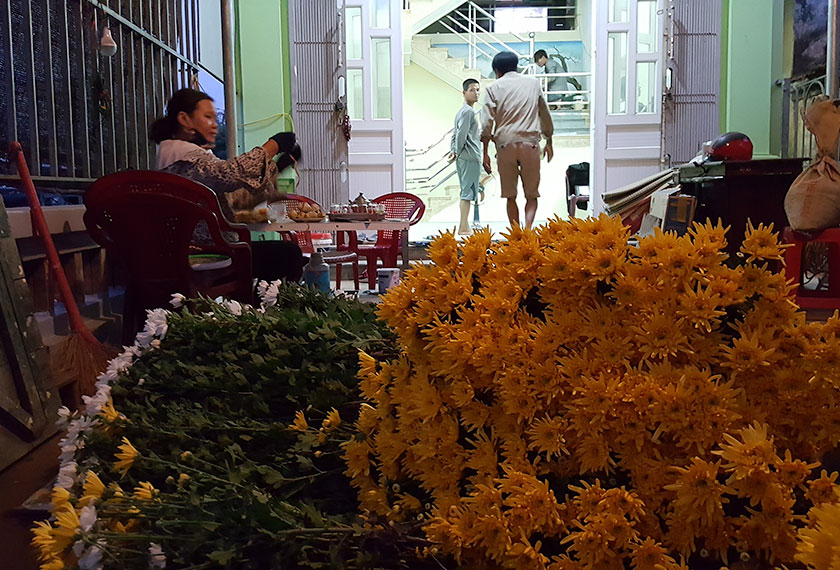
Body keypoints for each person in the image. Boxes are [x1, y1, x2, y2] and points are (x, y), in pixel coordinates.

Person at [150, 88, 305, 282]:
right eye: (208, 117)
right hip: (203, 252)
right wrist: (272, 145)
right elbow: (229, 174)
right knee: (288, 255)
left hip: (203, 248)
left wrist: (278, 167)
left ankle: (254, 307)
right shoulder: (182, 157)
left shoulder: (186, 157)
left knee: (283, 254)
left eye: (215, 118)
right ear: (184, 119)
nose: (215, 125)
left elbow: (236, 199)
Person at [480, 51, 554, 229]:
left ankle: (516, 234)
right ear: (516, 66)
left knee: (510, 196)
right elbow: (544, 113)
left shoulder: (493, 88)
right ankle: (528, 230)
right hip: (531, 144)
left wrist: (484, 153)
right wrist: (549, 140)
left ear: (497, 71)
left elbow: (486, 124)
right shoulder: (533, 83)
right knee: (531, 195)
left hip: (505, 146)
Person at [448, 78, 483, 235]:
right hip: (469, 156)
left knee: (466, 191)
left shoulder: (463, 110)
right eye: (472, 90)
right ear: (464, 92)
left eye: (477, 90)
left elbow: (456, 133)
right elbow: (461, 133)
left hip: (465, 155)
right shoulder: (468, 111)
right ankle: (463, 226)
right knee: (468, 192)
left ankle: (464, 225)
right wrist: (456, 150)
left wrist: (454, 150)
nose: (476, 93)